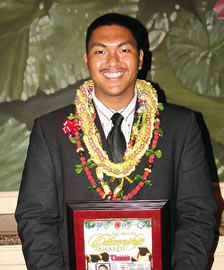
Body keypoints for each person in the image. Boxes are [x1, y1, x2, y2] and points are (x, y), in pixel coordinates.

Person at [15, 13, 217, 270]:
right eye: (101, 51)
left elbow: (197, 214)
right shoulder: (51, 131)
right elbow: (35, 218)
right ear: (87, 60)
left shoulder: (181, 127)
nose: (113, 61)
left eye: (124, 50)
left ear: (141, 58)